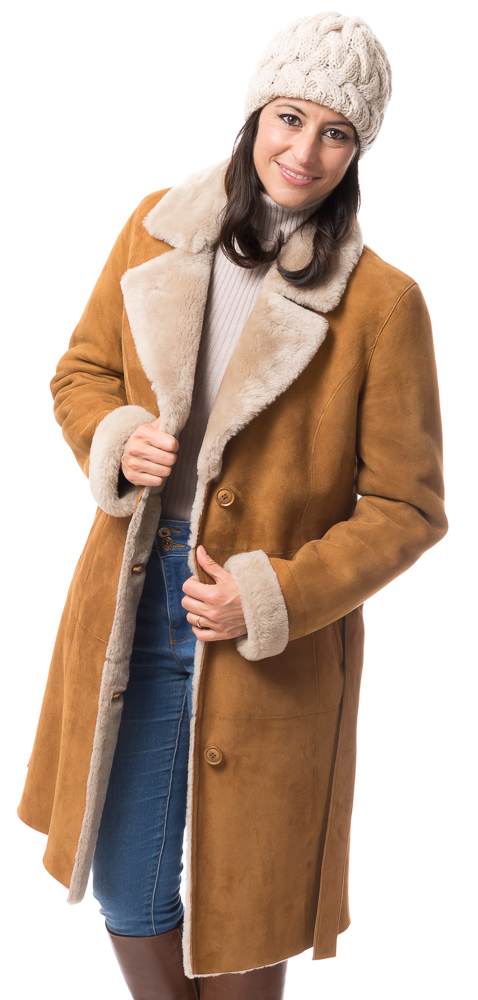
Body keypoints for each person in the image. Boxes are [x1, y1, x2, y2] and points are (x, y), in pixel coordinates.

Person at [17, 12, 447, 1000]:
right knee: (125, 884)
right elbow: (80, 372)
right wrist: (116, 434)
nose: (305, 151)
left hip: (267, 628)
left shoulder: (383, 302)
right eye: (290, 118)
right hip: (132, 596)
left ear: (359, 150)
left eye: (336, 133)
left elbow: (408, 505)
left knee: (248, 902)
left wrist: (272, 595)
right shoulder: (154, 227)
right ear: (256, 114)